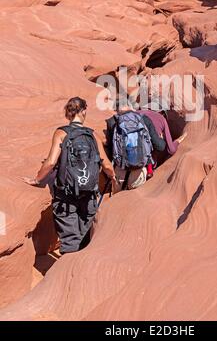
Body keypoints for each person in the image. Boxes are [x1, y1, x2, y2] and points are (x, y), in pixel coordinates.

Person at [23, 97, 117, 255]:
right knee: (86, 237)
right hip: (89, 194)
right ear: (84, 111)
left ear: (68, 113)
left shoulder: (61, 133)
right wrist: (113, 178)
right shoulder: (92, 135)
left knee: (70, 239)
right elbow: (106, 164)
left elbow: (51, 162)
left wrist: (37, 179)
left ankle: (69, 272)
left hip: (66, 195)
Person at [106, 102, 166, 191]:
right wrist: (162, 139)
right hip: (139, 171)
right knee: (135, 201)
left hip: (120, 171)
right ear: (131, 108)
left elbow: (111, 150)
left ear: (117, 111)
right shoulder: (144, 119)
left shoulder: (112, 121)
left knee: (119, 201)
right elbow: (160, 146)